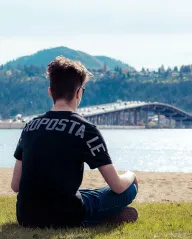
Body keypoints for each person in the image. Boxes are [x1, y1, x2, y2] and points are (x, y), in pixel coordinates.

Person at [10, 56, 138, 228]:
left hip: (26, 217)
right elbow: (117, 186)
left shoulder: (29, 127)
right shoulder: (86, 129)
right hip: (67, 217)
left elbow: (15, 185)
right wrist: (131, 175)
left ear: (50, 92)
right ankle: (105, 216)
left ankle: (106, 216)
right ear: (79, 92)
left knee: (84, 194)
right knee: (129, 188)